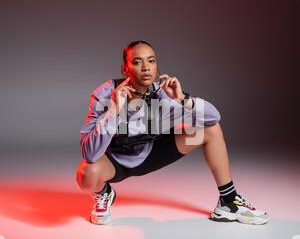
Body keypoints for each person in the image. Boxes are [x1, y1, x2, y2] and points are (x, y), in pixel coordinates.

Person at [76, 40, 269, 225]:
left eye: (151, 61)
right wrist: (114, 110)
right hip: (115, 161)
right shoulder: (105, 94)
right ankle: (104, 193)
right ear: (125, 68)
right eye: (137, 61)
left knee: (209, 130)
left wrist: (182, 98)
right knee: (87, 174)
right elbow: (90, 153)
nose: (146, 67)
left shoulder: (162, 94)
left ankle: (228, 201)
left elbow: (213, 117)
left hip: (151, 153)